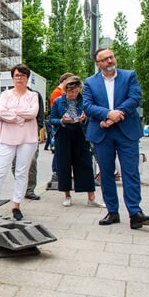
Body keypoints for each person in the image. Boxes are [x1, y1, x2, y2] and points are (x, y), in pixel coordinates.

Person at [83, 48, 149, 229]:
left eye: (111, 57)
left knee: (130, 172)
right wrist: (108, 114)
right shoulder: (90, 82)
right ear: (98, 64)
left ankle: (135, 213)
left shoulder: (129, 76)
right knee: (106, 173)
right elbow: (87, 105)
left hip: (126, 131)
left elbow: (135, 97)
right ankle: (112, 212)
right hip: (103, 134)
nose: (110, 61)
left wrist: (117, 115)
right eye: (105, 59)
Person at [0, 64, 39, 221]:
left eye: (22, 75)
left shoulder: (33, 95)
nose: (19, 78)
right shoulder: (5, 95)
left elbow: (33, 112)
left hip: (28, 138)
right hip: (7, 137)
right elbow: (1, 112)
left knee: (22, 172)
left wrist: (13, 113)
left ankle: (16, 205)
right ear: (13, 77)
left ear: (27, 78)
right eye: (16, 75)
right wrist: (19, 117)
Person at [50, 76, 104, 207]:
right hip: (63, 134)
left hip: (80, 134)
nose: (73, 94)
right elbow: (52, 119)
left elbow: (91, 118)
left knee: (85, 165)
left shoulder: (84, 101)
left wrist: (84, 119)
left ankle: (91, 197)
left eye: (75, 91)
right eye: (70, 92)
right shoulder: (58, 101)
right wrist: (62, 121)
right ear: (65, 90)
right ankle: (67, 195)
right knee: (64, 165)